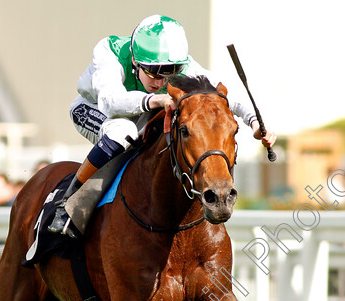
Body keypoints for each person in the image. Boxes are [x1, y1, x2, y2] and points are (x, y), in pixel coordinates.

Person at [49, 14, 276, 238]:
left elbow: (225, 94)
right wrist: (155, 100)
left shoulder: (180, 63)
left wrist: (255, 122)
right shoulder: (108, 52)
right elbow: (109, 102)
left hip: (140, 112)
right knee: (123, 133)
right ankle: (67, 200)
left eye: (169, 73)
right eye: (153, 73)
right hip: (93, 109)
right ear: (136, 62)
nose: (160, 82)